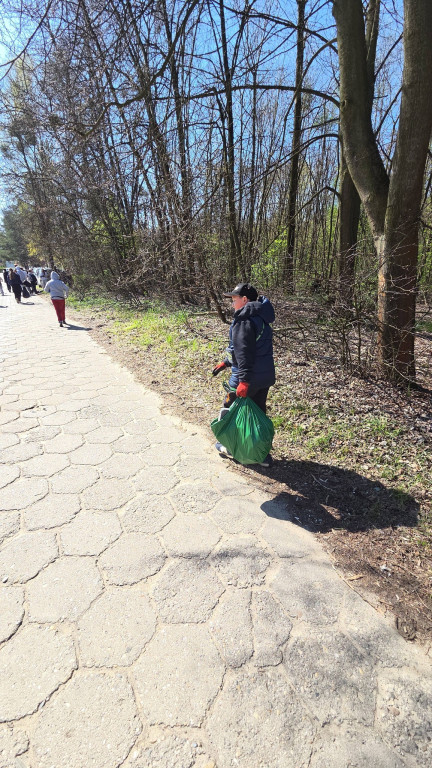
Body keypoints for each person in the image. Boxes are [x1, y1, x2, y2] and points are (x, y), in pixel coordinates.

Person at [212, 281, 276, 468]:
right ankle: (261, 455)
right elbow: (250, 348)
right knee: (257, 414)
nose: (232, 303)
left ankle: (230, 445)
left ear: (245, 299)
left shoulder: (244, 320)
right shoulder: (261, 317)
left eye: (234, 299)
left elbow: (245, 353)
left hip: (246, 377)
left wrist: (244, 381)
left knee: (230, 409)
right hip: (264, 377)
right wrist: (226, 362)